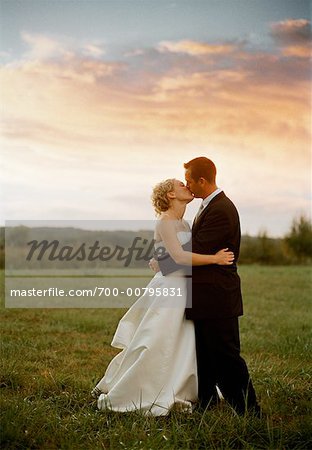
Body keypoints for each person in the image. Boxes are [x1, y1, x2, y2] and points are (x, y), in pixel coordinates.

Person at [91, 178, 234, 416]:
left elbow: (180, 256)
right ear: (170, 195)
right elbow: (179, 258)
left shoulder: (185, 223)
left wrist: (161, 262)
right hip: (169, 290)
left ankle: (180, 385)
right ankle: (142, 388)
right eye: (181, 185)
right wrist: (215, 259)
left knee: (182, 341)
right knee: (157, 340)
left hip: (184, 288)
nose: (187, 187)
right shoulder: (166, 221)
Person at [156, 157, 260, 416]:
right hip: (203, 296)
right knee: (203, 355)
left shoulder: (221, 209)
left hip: (217, 296)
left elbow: (196, 250)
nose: (188, 185)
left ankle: (249, 410)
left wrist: (162, 263)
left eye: (190, 180)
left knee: (226, 355)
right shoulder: (206, 207)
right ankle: (207, 402)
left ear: (202, 180)